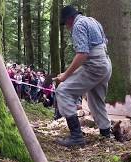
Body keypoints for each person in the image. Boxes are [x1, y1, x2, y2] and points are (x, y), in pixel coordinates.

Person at [55, 5, 112, 147]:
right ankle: (106, 135)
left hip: (94, 65)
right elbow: (104, 42)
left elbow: (82, 54)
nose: (66, 27)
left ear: (69, 19)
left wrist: (65, 76)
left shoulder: (78, 25)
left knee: (62, 91)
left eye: (65, 23)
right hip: (105, 63)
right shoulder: (92, 21)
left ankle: (76, 137)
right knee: (95, 101)